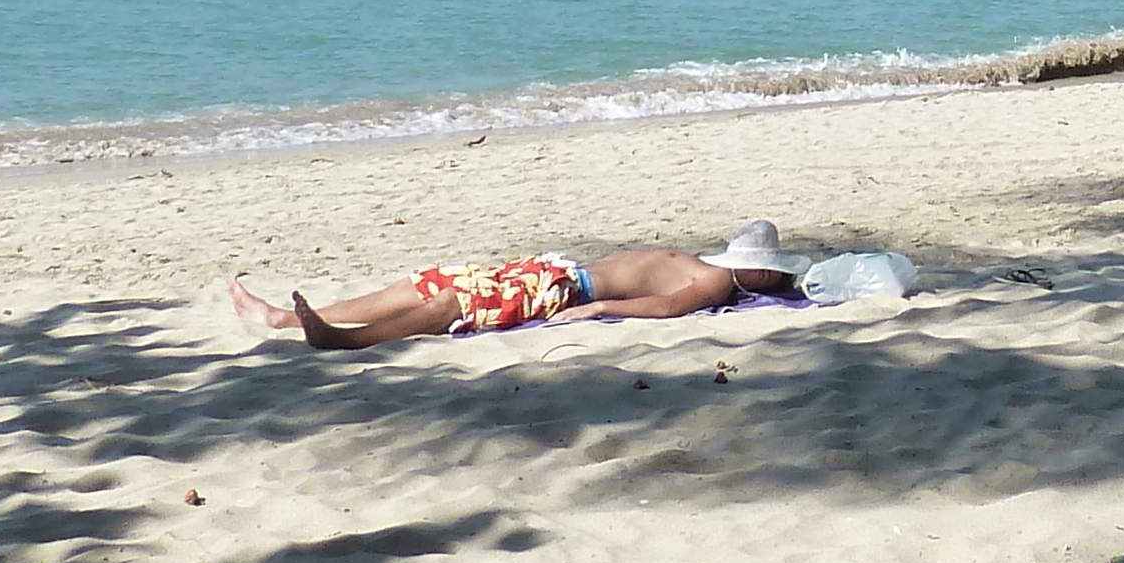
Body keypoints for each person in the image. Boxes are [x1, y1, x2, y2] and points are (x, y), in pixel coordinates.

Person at [225, 220, 807, 349]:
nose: (764, 274)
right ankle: (285, 318)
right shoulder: (719, 268)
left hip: (565, 291)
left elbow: (666, 306)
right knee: (428, 281)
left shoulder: (714, 285)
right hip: (555, 272)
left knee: (454, 302)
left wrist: (596, 307)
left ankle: (347, 339)